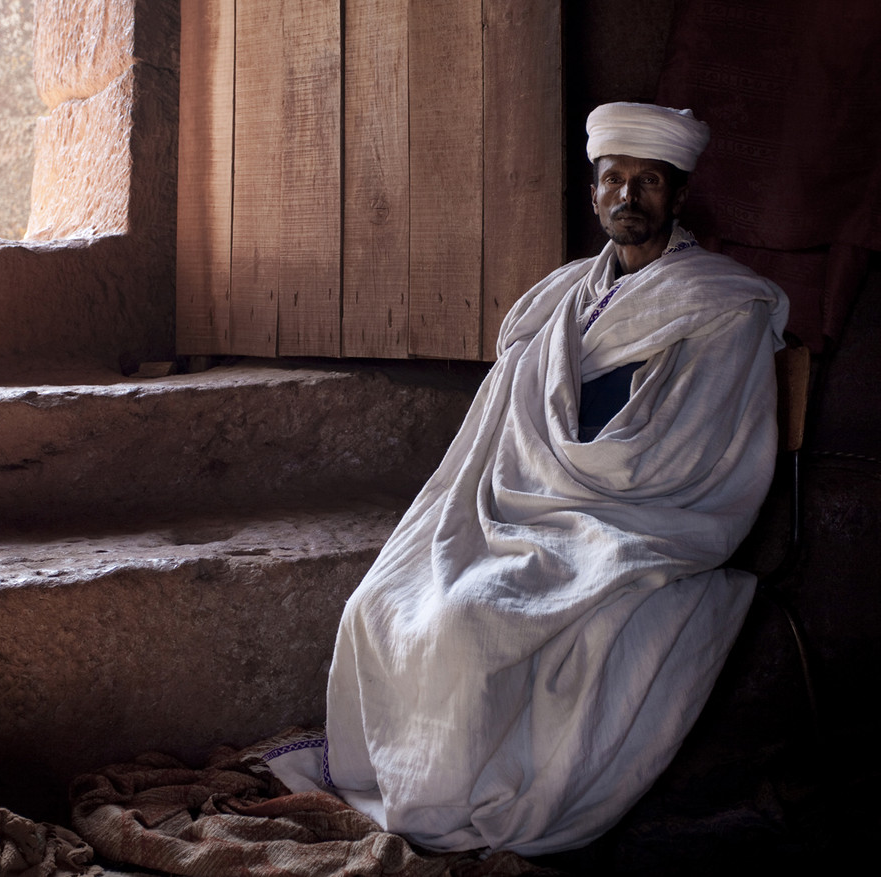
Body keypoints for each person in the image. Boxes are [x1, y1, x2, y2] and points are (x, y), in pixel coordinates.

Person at [265, 102, 789, 856]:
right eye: (613, 180)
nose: (628, 197)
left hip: (636, 516)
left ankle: (463, 792)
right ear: (594, 193)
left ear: (677, 196)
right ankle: (396, 776)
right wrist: (517, 497)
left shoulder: (722, 305)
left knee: (470, 623)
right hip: (521, 503)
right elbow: (503, 434)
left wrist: (579, 495)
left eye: (648, 182)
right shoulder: (561, 297)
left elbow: (694, 450)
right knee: (381, 599)